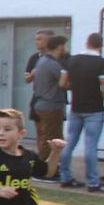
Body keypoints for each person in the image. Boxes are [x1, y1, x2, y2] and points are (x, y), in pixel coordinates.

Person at [60, 33, 104, 192]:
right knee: (90, 146)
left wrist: (75, 87)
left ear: (86, 43)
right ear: (101, 45)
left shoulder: (72, 60)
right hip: (94, 108)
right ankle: (93, 182)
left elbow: (62, 83)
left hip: (76, 107)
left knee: (69, 144)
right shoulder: (101, 62)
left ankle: (65, 177)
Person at [30, 36, 68, 164]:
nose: (65, 49)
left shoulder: (42, 60)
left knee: (45, 136)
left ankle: (48, 165)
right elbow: (64, 83)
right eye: (64, 46)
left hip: (41, 103)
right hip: (51, 105)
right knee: (52, 138)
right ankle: (44, 168)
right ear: (59, 47)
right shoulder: (52, 64)